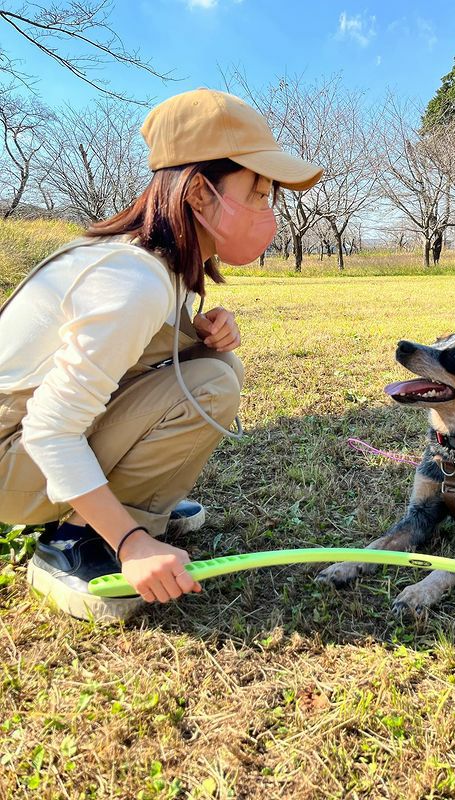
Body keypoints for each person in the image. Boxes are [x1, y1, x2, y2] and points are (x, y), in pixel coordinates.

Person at [0, 88, 323, 621]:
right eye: (258, 193)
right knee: (212, 385)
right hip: (11, 452)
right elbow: (50, 429)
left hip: (21, 440)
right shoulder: (133, 280)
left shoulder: (157, 265)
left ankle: (120, 506)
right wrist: (131, 544)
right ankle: (78, 541)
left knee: (215, 367)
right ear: (198, 192)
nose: (267, 212)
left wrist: (196, 333)